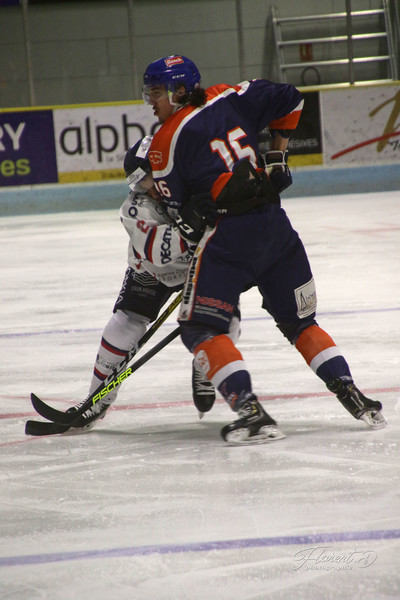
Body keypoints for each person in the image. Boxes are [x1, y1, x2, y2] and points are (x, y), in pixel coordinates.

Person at [141, 54, 386, 444]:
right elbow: (291, 98)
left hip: (230, 239)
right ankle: (354, 395)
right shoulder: (232, 95)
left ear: (179, 90)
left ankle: (251, 413)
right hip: (277, 228)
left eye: (156, 92)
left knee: (200, 328)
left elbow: (182, 213)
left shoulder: (163, 143)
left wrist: (179, 209)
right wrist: (276, 153)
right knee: (300, 323)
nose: (150, 101)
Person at [69, 136, 224, 429]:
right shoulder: (134, 208)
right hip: (153, 270)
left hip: (203, 265)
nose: (146, 191)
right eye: (139, 185)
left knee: (222, 318)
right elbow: (158, 252)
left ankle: (205, 364)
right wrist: (190, 228)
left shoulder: (196, 181)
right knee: (126, 320)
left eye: (147, 181)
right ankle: (95, 400)